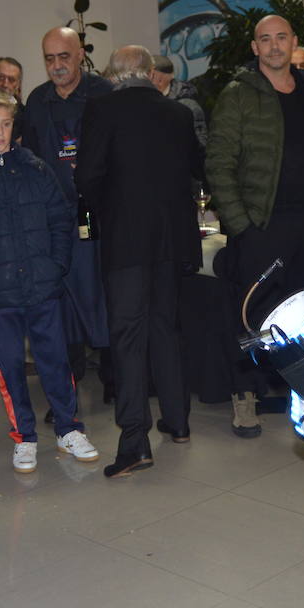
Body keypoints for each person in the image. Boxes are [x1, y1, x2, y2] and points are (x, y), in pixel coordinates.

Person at [205, 14, 304, 438]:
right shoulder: (238, 96)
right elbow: (219, 164)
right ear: (255, 48)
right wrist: (243, 226)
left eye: (282, 37)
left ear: (294, 42)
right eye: (266, 39)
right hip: (263, 225)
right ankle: (245, 396)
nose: (275, 45)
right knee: (254, 316)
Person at [0, 89, 99, 473]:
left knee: (55, 360)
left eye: (5, 124)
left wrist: (56, 267)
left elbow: (59, 219)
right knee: (10, 366)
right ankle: (24, 436)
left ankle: (69, 428)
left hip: (43, 287)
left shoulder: (35, 168)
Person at [76, 46, 201, 478]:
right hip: (172, 243)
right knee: (165, 327)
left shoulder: (101, 109)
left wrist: (97, 219)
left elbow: (86, 176)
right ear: (150, 74)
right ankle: (178, 421)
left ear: (113, 75)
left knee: (128, 338)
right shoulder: (178, 114)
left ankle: (134, 443)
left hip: (125, 243)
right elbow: (195, 172)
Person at [23, 27, 114, 394]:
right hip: (55, 217)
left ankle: (113, 378)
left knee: (103, 293)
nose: (57, 66)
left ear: (80, 55)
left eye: (64, 57)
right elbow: (29, 157)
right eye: (49, 59)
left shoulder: (105, 96)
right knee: (62, 298)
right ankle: (69, 380)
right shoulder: (36, 101)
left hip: (100, 213)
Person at [151, 54, 207, 149]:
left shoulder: (188, 105)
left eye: (149, 75)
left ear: (159, 78)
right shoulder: (150, 100)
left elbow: (201, 143)